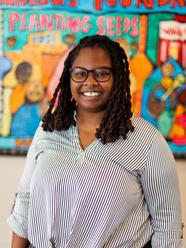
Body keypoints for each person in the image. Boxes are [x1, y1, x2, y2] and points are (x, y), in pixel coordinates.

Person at [7, 35, 183, 248]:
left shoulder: (147, 142)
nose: (90, 82)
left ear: (117, 77)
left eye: (102, 73)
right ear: (69, 78)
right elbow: (26, 201)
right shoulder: (49, 129)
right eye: (80, 73)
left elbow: (167, 224)